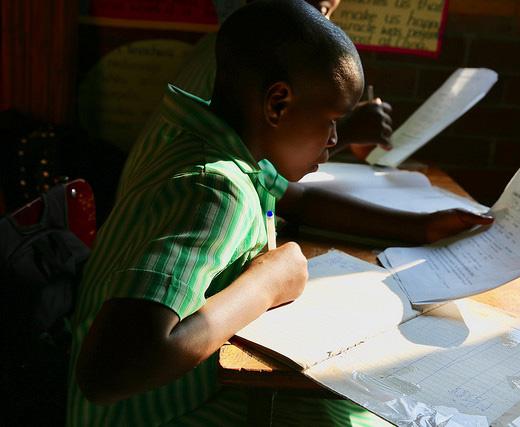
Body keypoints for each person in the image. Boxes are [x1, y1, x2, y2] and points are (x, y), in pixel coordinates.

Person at [67, 1, 493, 425]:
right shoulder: (213, 189)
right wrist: (266, 286)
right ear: (277, 105)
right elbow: (108, 376)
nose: (334, 139)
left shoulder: (218, 146)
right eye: (331, 121)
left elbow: (302, 200)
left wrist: (420, 227)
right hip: (151, 414)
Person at [176, 0, 393, 157]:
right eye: (316, 11)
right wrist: (349, 129)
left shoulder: (242, 41)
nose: (323, 18)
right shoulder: (244, 55)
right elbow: (271, 185)